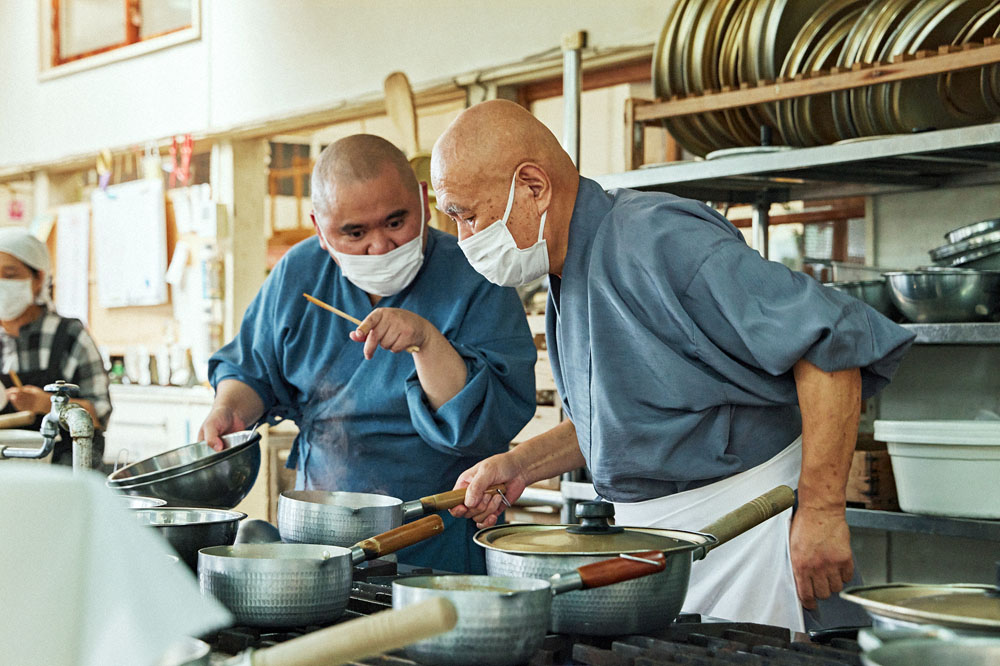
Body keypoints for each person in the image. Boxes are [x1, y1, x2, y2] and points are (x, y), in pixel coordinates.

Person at [431, 100, 916, 630]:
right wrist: (521, 464)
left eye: (466, 215)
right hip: (655, 547)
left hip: (748, 531)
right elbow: (625, 420)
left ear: (533, 187)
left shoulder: (659, 239)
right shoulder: (566, 270)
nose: (464, 239)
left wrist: (823, 512)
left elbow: (829, 345)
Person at [200, 134, 536, 574]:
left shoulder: (475, 274)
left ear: (422, 199)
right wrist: (229, 407)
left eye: (396, 222)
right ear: (319, 228)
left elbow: (481, 423)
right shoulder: (300, 274)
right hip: (319, 530)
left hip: (438, 530)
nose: (380, 246)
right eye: (354, 233)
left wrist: (426, 342)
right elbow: (253, 368)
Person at [0, 228, 112, 467]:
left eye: (9, 275)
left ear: (38, 278)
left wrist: (42, 403)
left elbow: (99, 415)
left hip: (61, 478)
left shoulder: (69, 336)